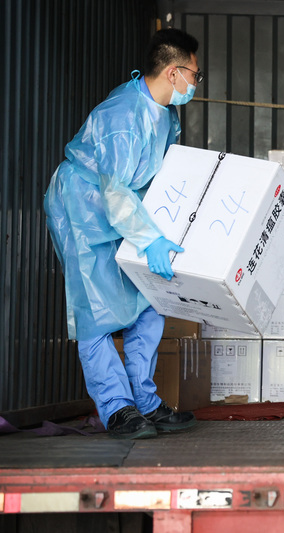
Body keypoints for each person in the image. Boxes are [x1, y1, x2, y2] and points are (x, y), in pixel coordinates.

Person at [44, 28, 203, 439]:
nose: (196, 84)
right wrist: (150, 239)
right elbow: (114, 188)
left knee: (150, 300)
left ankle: (145, 401)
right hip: (84, 208)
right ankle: (117, 409)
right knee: (96, 309)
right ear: (173, 72)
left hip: (127, 210)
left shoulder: (164, 113)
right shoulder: (123, 117)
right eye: (195, 75)